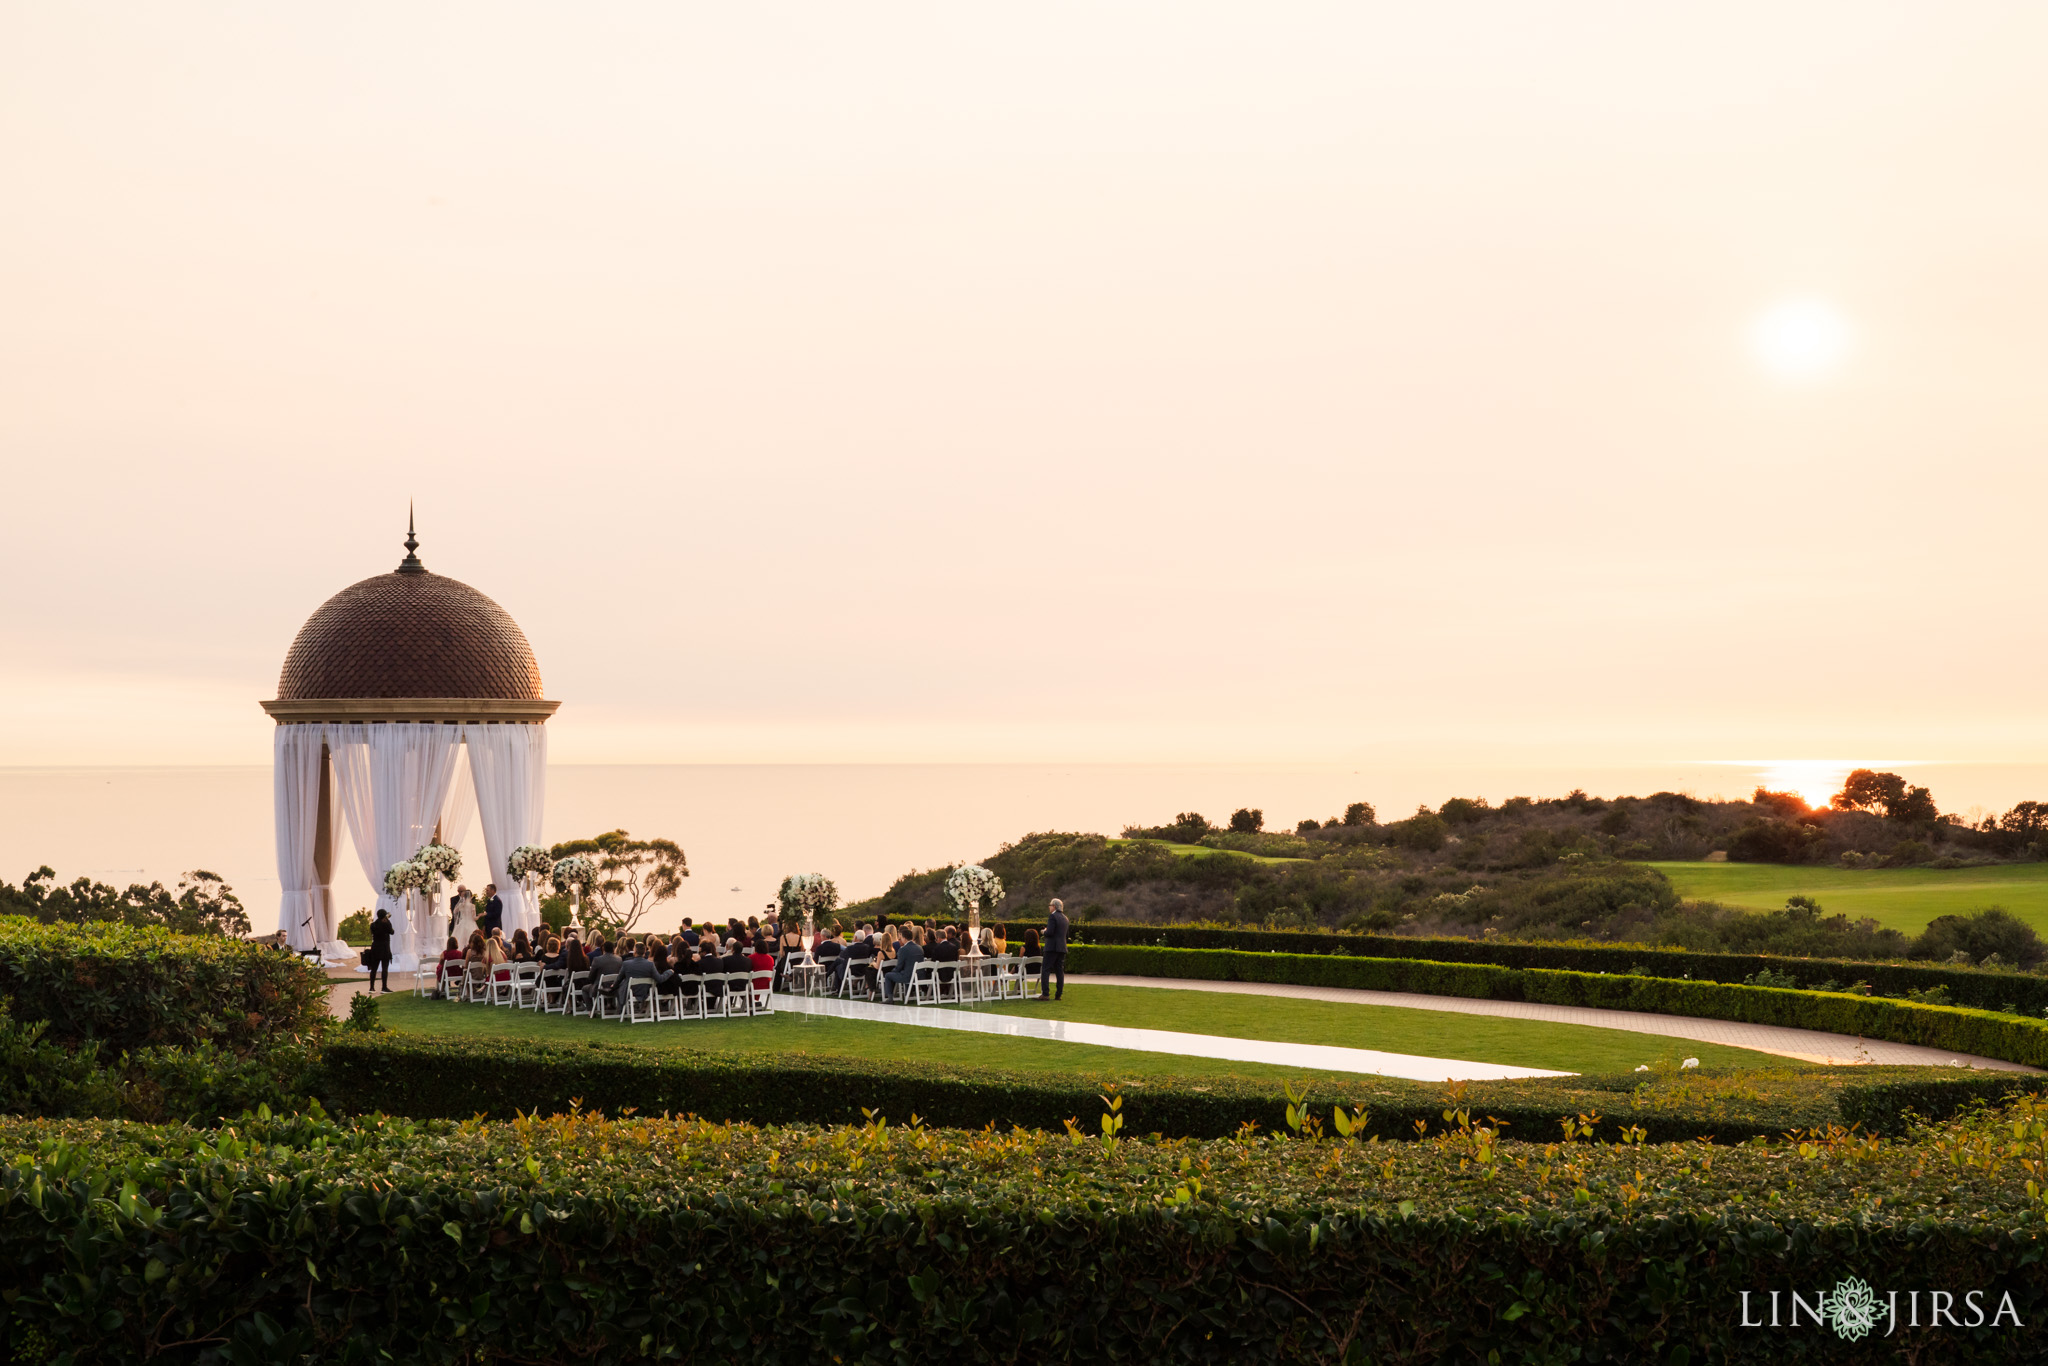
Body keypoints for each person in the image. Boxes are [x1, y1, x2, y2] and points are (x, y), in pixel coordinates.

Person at [1036, 898, 1069, 1002]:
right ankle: (1058, 994)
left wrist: (1044, 932)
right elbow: (1065, 935)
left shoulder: (1052, 916)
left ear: (1054, 906)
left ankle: (1045, 994)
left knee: (1045, 970)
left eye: (1050, 905)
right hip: (1062, 947)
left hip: (1051, 947)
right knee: (1059, 971)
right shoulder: (1065, 918)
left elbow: (1050, 932)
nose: (1049, 907)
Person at [881, 926, 924, 1003]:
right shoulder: (919, 948)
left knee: (888, 975)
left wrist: (893, 971)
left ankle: (890, 998)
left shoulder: (903, 949)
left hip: (908, 976)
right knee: (906, 970)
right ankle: (909, 994)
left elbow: (899, 966)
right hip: (919, 975)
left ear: (904, 938)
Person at [364, 908, 395, 993]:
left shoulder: (373, 925)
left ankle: (371, 988)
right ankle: (384, 987)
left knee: (374, 969)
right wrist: (387, 922)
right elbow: (392, 932)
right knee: (384, 968)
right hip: (384, 948)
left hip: (375, 948)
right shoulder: (386, 924)